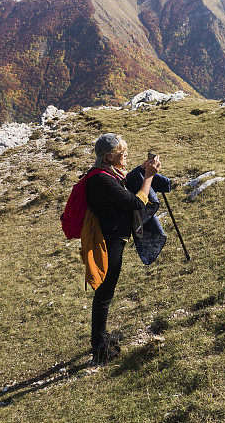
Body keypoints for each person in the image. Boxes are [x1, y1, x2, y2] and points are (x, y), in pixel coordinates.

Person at [83, 133, 160, 365]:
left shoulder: (109, 175)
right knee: (104, 293)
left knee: (106, 292)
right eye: (121, 151)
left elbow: (123, 191)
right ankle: (99, 349)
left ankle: (102, 338)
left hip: (115, 237)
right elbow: (136, 202)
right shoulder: (102, 180)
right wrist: (148, 177)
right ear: (109, 156)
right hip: (109, 241)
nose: (125, 153)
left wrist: (141, 169)